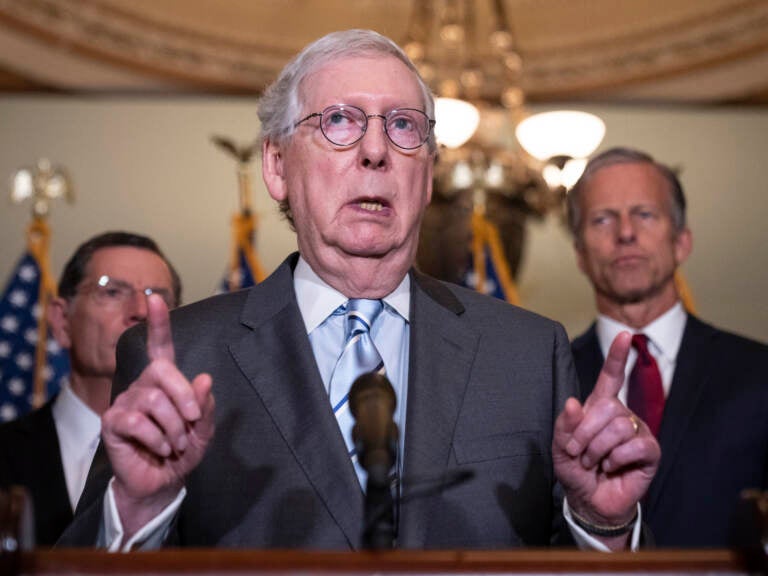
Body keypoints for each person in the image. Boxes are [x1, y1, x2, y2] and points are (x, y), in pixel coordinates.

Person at [60, 30, 659, 551]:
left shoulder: (528, 356)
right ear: (276, 166)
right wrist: (138, 512)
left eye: (402, 127)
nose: (375, 151)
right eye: (340, 122)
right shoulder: (184, 356)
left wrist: (601, 523)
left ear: (427, 175)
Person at [568, 147, 768, 547]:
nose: (625, 233)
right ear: (580, 255)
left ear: (682, 242)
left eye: (644, 214)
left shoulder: (759, 373)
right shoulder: (546, 378)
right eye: (603, 218)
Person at [0, 231, 180, 546]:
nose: (139, 309)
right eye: (111, 291)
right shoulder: (5, 452)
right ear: (61, 320)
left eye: (157, 297)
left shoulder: (206, 460)